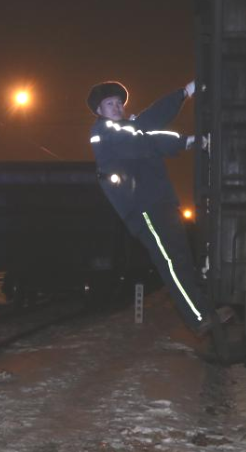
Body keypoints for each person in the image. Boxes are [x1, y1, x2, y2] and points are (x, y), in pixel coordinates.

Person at [87, 80, 226, 350]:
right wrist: (187, 141)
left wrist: (184, 93)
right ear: (99, 110)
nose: (117, 107)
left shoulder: (129, 128)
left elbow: (151, 119)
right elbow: (143, 140)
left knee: (182, 259)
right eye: (110, 104)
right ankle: (199, 318)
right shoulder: (104, 133)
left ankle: (205, 311)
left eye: (119, 103)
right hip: (143, 208)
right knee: (171, 263)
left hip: (160, 202)